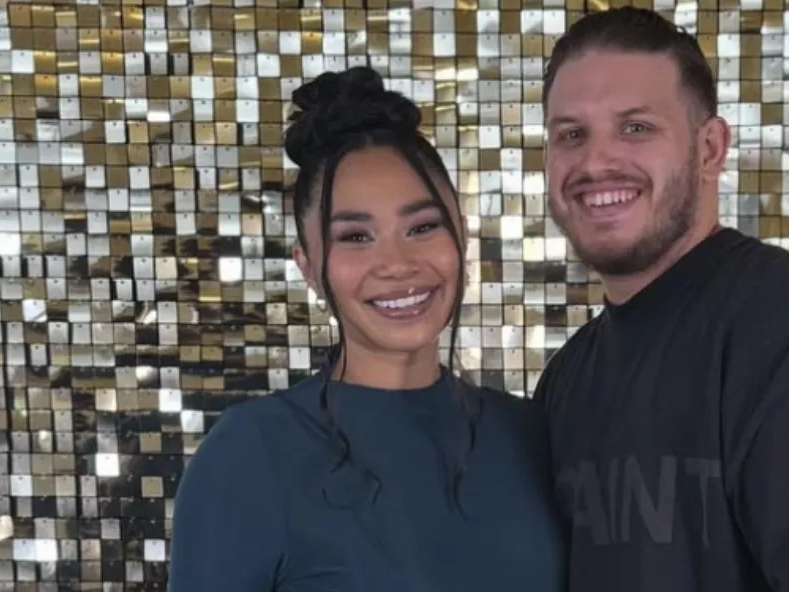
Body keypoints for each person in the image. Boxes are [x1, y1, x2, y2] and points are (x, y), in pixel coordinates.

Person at [533, 7, 789, 592]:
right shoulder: (567, 381)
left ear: (710, 148)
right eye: (571, 134)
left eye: (636, 128)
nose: (595, 162)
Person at [168, 66, 566, 592]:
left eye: (422, 227)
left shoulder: (529, 434)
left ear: (462, 234)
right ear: (309, 267)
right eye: (356, 237)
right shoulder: (250, 454)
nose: (397, 264)